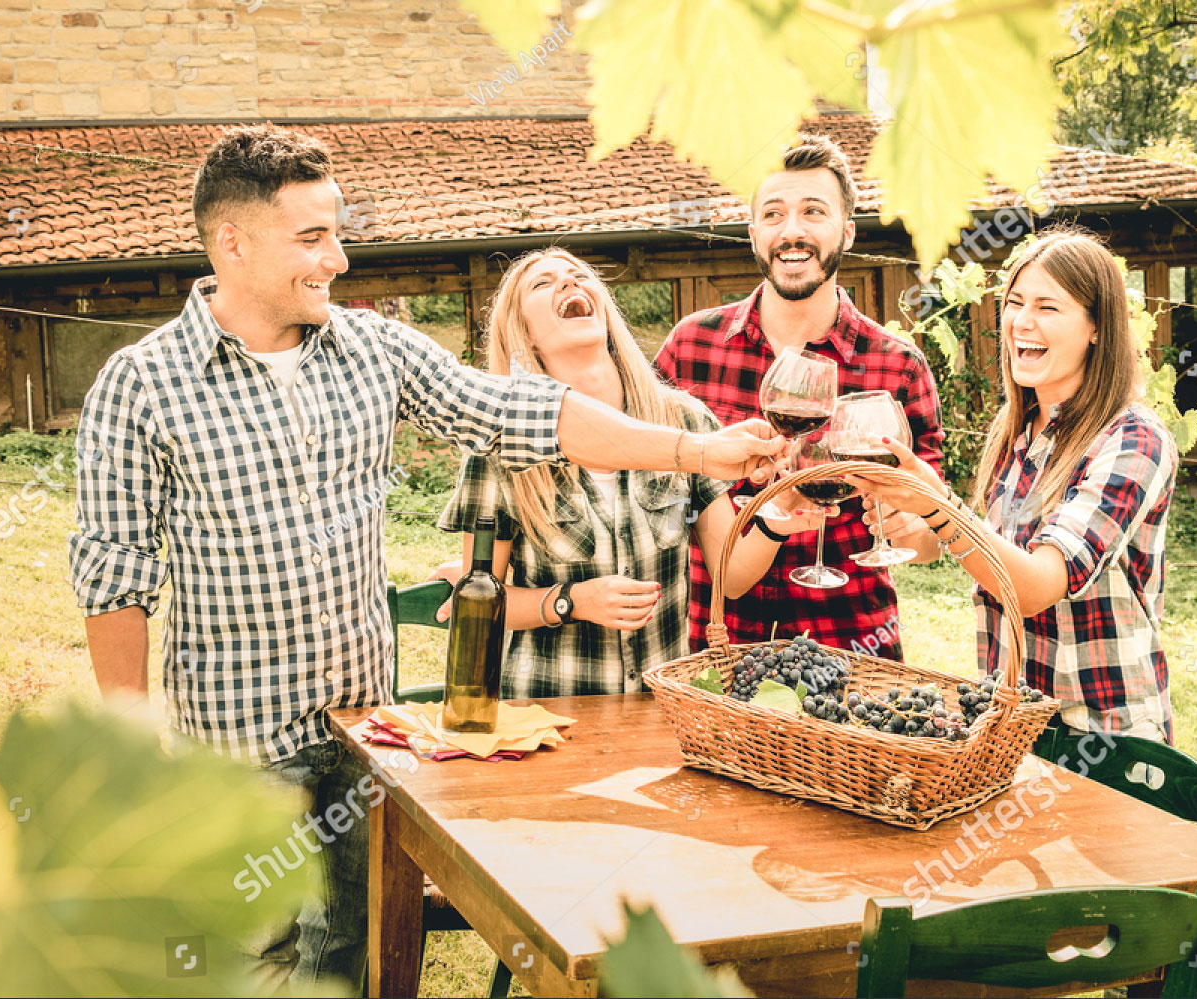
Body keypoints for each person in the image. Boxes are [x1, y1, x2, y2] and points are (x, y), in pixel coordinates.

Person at [66, 124, 783, 995]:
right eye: (312, 236)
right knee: (254, 963)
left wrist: (697, 455)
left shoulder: (375, 350)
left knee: (356, 959)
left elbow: (532, 413)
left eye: (336, 231)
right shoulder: (142, 385)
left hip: (365, 740)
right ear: (233, 242)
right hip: (238, 750)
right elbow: (116, 580)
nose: (337, 256)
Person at [428, 249, 831, 696]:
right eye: (543, 284)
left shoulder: (683, 421)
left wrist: (780, 509)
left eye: (581, 276)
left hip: (660, 713)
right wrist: (570, 601)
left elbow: (731, 577)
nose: (569, 283)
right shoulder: (502, 448)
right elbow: (477, 603)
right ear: (524, 334)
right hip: (546, 716)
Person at [849, 229, 1178, 742]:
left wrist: (939, 507)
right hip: (1010, 721)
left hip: (1103, 736)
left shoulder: (1133, 440)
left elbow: (1035, 587)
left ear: (1097, 328)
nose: (1021, 321)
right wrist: (907, 526)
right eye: (1015, 302)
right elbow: (955, 545)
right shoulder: (1020, 430)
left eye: (1048, 307)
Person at [654, 133, 944, 660]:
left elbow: (932, 532)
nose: (792, 232)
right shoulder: (689, 348)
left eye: (814, 212)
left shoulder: (898, 364)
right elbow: (652, 497)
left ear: (847, 231)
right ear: (753, 233)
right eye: (773, 214)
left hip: (853, 652)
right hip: (714, 649)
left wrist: (911, 526)